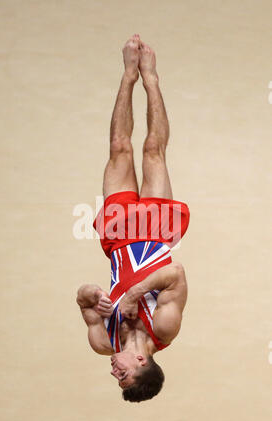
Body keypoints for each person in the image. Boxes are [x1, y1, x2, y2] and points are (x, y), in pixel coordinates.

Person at [76, 34, 190, 402]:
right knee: (153, 151)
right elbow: (176, 274)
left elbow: (82, 300)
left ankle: (128, 75)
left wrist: (93, 294)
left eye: (117, 378)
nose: (115, 374)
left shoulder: (102, 342)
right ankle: (151, 78)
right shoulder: (164, 328)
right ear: (141, 362)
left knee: (118, 148)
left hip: (119, 238)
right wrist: (135, 294)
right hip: (154, 234)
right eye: (124, 378)